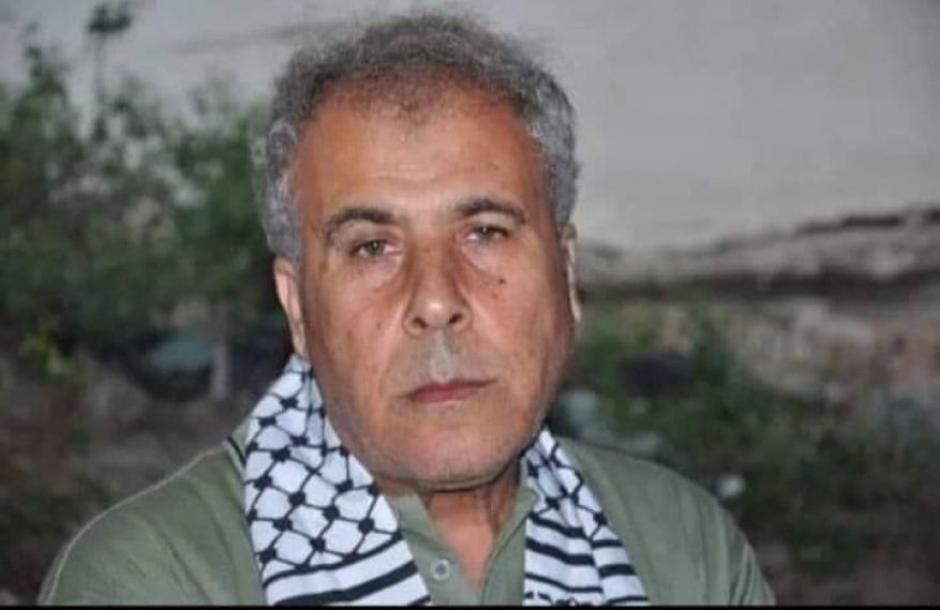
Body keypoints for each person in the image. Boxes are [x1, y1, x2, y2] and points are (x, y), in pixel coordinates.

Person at [40, 11, 774, 605]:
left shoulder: (681, 551)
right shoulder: (159, 579)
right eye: (372, 247)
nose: (436, 299)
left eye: (485, 233)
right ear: (297, 309)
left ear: (568, 273)